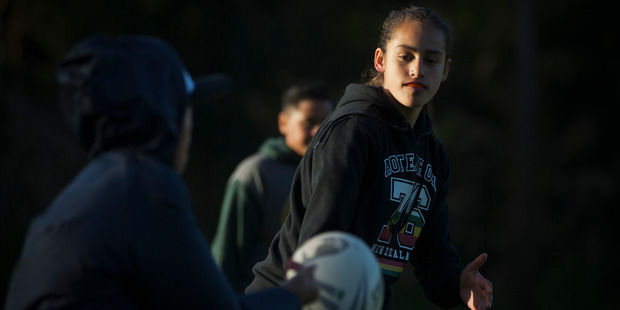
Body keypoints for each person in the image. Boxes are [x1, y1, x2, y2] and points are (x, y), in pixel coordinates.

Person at [4, 34, 318, 310]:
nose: (191, 127)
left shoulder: (98, 186)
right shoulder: (144, 189)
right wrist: (294, 292)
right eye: (187, 109)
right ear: (167, 119)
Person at [246, 5, 493, 310]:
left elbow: (432, 255)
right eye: (406, 56)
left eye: (431, 60)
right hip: (290, 300)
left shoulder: (434, 154)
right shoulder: (353, 131)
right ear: (381, 61)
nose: (417, 69)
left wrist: (458, 283)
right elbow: (320, 248)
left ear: (445, 70)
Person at [211, 81, 333, 292]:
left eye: (325, 123)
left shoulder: (334, 173)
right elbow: (227, 254)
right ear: (284, 122)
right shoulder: (256, 174)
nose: (317, 131)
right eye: (309, 122)